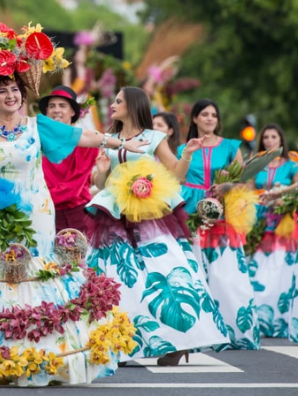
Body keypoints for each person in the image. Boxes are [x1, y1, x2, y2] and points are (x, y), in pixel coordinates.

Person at [0, 74, 148, 385]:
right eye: (3, 91)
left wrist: (121, 142)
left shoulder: (37, 125)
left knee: (36, 269)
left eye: (15, 90)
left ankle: (48, 354)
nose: (10, 96)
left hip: (37, 210)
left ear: (22, 96)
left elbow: (81, 136)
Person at [86, 87, 228, 366]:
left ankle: (181, 341)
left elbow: (175, 175)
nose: (112, 105)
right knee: (115, 276)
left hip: (150, 212)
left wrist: (186, 153)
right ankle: (122, 341)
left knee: (167, 269)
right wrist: (102, 172)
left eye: (118, 101)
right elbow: (102, 184)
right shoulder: (109, 139)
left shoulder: (154, 137)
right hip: (114, 212)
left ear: (133, 105)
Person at [178, 99, 259, 350]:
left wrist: (227, 187)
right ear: (195, 119)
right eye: (204, 114)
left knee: (226, 274)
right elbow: (176, 178)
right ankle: (197, 335)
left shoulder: (231, 146)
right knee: (194, 272)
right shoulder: (184, 148)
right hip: (191, 212)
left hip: (222, 215)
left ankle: (235, 331)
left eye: (214, 115)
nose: (210, 119)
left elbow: (246, 183)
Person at [246, 124, 298, 339]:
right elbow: (247, 189)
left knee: (279, 270)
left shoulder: (292, 164)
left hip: (281, 220)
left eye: (273, 136)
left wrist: (281, 194)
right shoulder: (256, 163)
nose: (269, 140)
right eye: (265, 137)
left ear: (281, 140)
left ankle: (279, 319)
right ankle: (258, 319)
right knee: (256, 270)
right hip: (258, 220)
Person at [39, 85, 100, 237]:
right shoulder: (36, 140)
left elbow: (74, 187)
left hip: (79, 214)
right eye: (52, 106)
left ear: (73, 112)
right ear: (46, 112)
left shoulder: (86, 143)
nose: (56, 110)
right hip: (46, 216)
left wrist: (37, 199)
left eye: (62, 105)